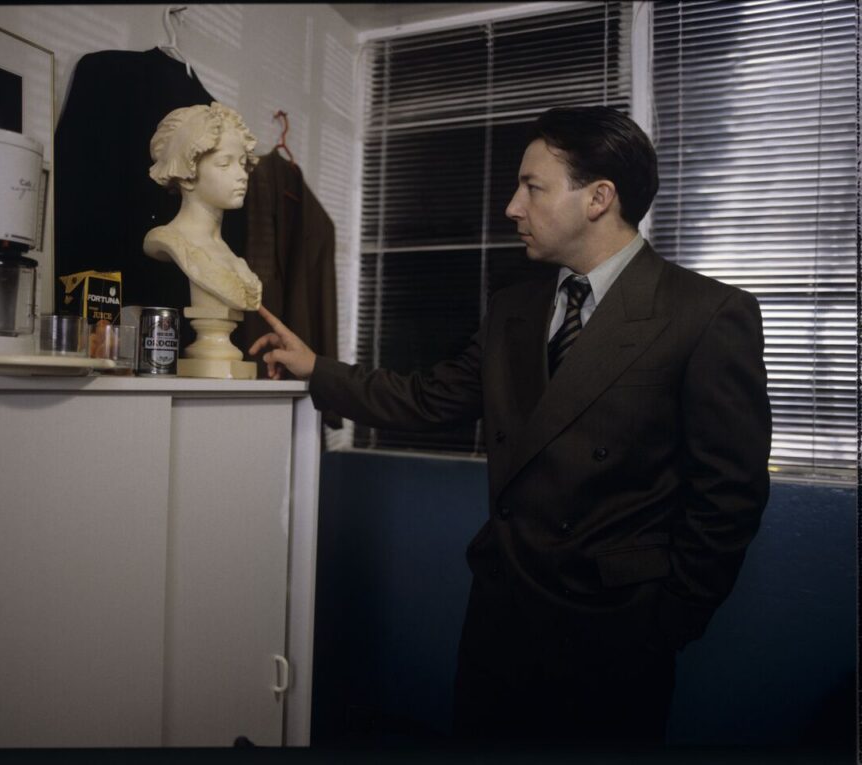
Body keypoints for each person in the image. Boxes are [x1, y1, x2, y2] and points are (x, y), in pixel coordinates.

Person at [250, 105, 771, 748]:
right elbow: (429, 399)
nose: (511, 207)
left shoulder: (706, 313)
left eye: (532, 187)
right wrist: (316, 369)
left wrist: (668, 622)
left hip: (613, 635)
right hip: (500, 616)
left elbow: (729, 495)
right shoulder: (515, 307)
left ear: (599, 198)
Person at [144, 102, 262, 311]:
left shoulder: (228, 255)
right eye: (224, 164)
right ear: (187, 175)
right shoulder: (171, 240)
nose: (242, 175)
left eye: (242, 164)